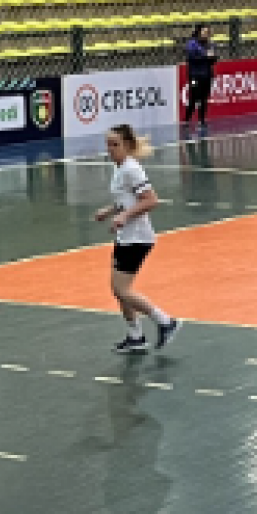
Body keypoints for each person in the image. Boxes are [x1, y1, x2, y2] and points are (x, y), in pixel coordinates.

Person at [93, 125, 182, 353]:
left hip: (137, 239)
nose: (110, 149)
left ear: (127, 146)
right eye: (108, 145)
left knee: (122, 290)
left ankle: (166, 322)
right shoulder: (120, 168)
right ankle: (135, 336)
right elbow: (128, 200)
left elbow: (151, 200)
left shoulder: (132, 169)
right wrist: (111, 210)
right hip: (126, 237)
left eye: (115, 145)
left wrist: (123, 216)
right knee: (118, 289)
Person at [182, 25, 218, 134]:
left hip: (207, 75)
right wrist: (206, 57)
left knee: (204, 99)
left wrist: (212, 58)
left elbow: (213, 59)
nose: (207, 33)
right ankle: (186, 121)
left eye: (208, 32)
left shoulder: (210, 44)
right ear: (199, 32)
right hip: (195, 75)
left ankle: (201, 120)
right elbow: (191, 58)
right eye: (204, 31)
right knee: (193, 99)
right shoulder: (192, 44)